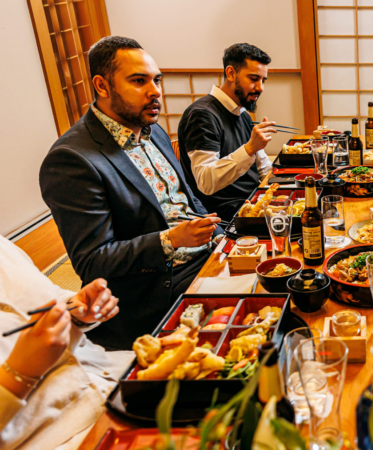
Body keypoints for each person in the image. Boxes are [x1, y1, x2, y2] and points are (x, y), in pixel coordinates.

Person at [40, 36, 222, 350]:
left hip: (208, 257)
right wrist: (171, 239)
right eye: (139, 81)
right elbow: (92, 261)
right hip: (157, 288)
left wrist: (219, 234)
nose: (155, 92)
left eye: (157, 80)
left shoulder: (155, 132)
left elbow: (188, 200)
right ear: (102, 85)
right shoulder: (72, 159)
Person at [0, 235, 130, 450]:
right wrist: (20, 372)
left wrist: (77, 309)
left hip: (109, 375)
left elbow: (48, 296)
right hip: (57, 436)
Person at [178, 43, 276, 221]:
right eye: (254, 78)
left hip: (255, 202)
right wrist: (249, 149)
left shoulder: (242, 113)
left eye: (263, 80)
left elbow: (264, 168)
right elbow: (205, 182)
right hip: (226, 215)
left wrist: (281, 186)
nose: (260, 87)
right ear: (231, 73)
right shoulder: (202, 115)